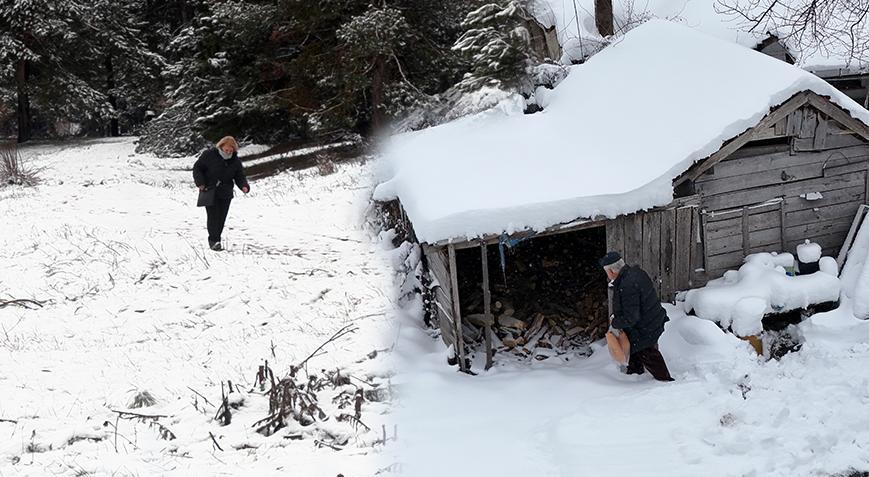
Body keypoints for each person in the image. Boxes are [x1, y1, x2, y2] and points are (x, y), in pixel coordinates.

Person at [599, 251, 674, 382]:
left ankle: (665, 381)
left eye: (606, 272)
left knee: (647, 352)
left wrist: (615, 322)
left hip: (646, 327)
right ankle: (635, 373)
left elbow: (631, 317)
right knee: (634, 347)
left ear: (611, 271)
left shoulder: (627, 285)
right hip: (652, 319)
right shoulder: (634, 273)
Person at [192, 136, 249, 251]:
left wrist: (244, 186)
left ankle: (216, 239)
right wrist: (201, 183)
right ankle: (214, 241)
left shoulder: (235, 161)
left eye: (231, 150)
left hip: (226, 192)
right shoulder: (209, 155)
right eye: (226, 149)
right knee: (213, 216)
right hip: (210, 190)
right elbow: (197, 169)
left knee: (221, 218)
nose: (228, 152)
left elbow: (239, 176)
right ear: (221, 146)